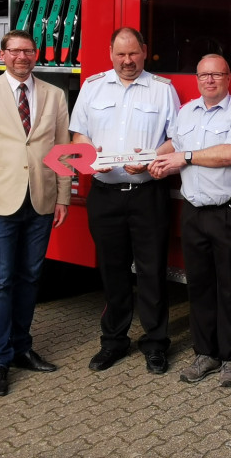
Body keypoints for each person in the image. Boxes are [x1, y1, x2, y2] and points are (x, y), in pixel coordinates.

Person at [0, 29, 71, 396]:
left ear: (36, 54)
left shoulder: (55, 95)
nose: (22, 57)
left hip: (40, 200)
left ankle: (22, 347)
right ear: (2, 55)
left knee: (29, 278)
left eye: (28, 50)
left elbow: (62, 151)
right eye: (14, 51)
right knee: (0, 281)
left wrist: (64, 197)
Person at [69, 27, 180, 374]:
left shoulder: (163, 90)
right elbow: (78, 133)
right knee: (112, 271)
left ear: (144, 52)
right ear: (110, 53)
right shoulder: (92, 86)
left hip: (148, 194)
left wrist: (151, 158)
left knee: (151, 272)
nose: (127, 61)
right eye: (121, 54)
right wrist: (88, 153)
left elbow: (177, 139)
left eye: (133, 54)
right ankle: (113, 342)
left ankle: (155, 343)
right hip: (104, 195)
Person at [149, 54, 231, 387]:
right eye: (203, 75)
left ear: (228, 78)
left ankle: (230, 357)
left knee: (230, 288)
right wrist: (146, 157)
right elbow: (175, 144)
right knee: (199, 287)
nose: (209, 80)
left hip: (229, 212)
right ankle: (205, 354)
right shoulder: (186, 112)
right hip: (194, 212)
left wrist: (185, 157)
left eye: (216, 74)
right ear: (197, 79)